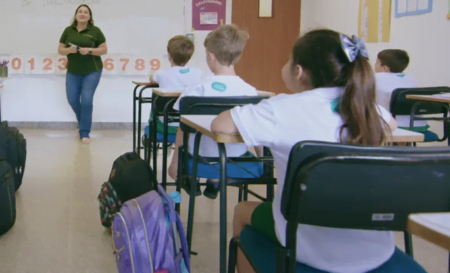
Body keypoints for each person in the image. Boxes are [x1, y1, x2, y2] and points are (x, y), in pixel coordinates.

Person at [211, 29, 397, 273]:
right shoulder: (370, 111)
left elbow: (219, 125)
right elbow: (391, 124)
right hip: (377, 249)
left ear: (298, 72)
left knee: (241, 211)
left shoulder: (281, 109)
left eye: (289, 59)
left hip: (308, 245)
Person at [167, 25, 257, 199]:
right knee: (223, 149)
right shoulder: (250, 92)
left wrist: (175, 163)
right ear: (238, 56)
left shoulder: (195, 90)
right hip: (236, 158)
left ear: (210, 56)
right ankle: (215, 180)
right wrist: (264, 161)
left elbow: (182, 130)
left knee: (199, 145)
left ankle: (193, 177)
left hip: (201, 157)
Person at [58, 4, 108, 144]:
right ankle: (83, 123)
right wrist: (69, 50)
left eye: (86, 12)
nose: (82, 14)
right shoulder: (68, 31)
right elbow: (60, 49)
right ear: (75, 15)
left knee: (86, 100)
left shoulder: (95, 31)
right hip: (73, 70)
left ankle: (84, 132)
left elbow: (104, 49)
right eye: (80, 11)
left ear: (89, 16)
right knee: (72, 99)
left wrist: (90, 50)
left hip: (92, 70)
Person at [147, 34, 204, 139]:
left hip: (166, 126)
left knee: (155, 97)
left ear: (169, 55)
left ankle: (151, 132)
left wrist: (151, 75)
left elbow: (152, 79)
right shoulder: (198, 73)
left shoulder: (162, 74)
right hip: (191, 126)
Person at [374, 49, 436, 140]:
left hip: (391, 125)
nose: (374, 65)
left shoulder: (376, 78)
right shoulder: (411, 79)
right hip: (417, 125)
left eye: (376, 63)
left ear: (384, 68)